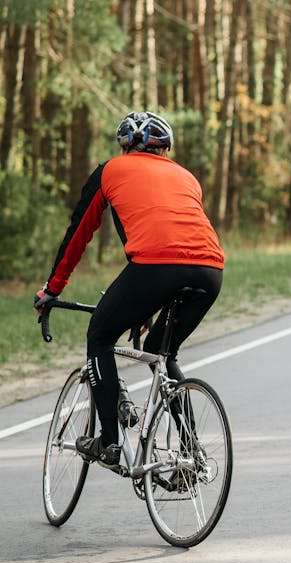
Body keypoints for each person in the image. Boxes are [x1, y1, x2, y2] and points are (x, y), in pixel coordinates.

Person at [34, 111, 224, 466]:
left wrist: (52, 288)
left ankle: (111, 443)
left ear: (124, 148)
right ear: (164, 149)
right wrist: (144, 309)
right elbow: (170, 234)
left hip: (155, 267)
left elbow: (80, 234)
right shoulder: (186, 177)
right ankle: (191, 453)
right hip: (210, 270)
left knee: (101, 337)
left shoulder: (111, 171)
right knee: (162, 354)